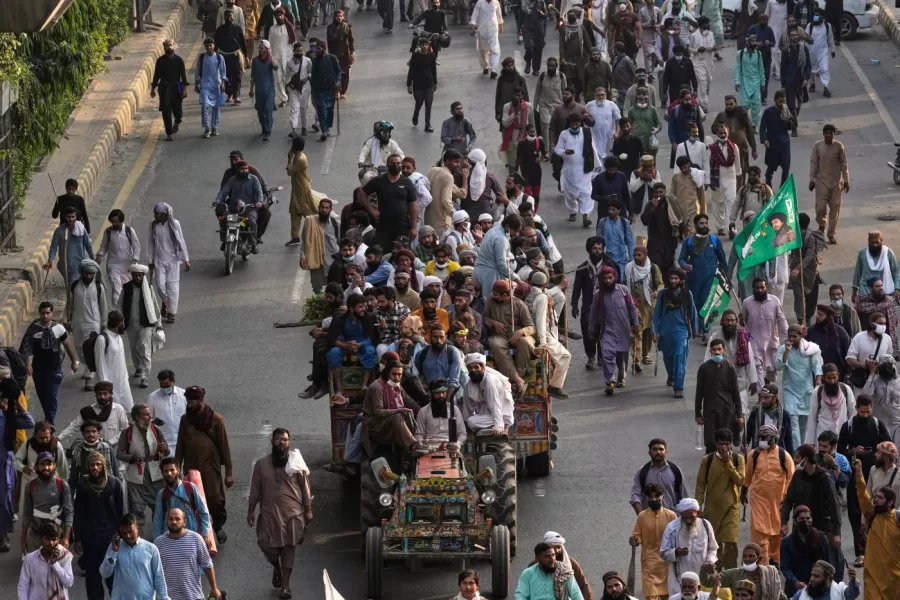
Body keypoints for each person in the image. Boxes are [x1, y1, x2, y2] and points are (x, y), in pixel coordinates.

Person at [248, 429, 312, 600]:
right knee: (264, 543)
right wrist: (251, 510)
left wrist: (308, 510)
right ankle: (276, 566)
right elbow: (255, 489)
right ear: (272, 441)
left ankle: (285, 585)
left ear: (289, 442)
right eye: (278, 439)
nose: (281, 442)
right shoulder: (261, 464)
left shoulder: (296, 462)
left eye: (285, 439)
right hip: (269, 514)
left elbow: (305, 488)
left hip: (293, 514)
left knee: (289, 547)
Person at [175, 386, 233, 545]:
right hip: (191, 469)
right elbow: (180, 445)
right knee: (193, 500)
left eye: (192, 401)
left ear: (201, 401)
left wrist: (229, 472)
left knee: (215, 499)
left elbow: (224, 447)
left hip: (211, 468)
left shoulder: (216, 419)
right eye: (188, 401)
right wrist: (176, 468)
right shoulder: (185, 420)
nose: (189, 404)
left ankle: (218, 526)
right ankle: (198, 533)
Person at [838, 394, 892, 567]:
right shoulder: (849, 426)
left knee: (878, 512)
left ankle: (879, 549)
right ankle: (860, 552)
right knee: (856, 513)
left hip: (876, 476)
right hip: (856, 475)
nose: (865, 415)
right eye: (862, 412)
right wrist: (854, 451)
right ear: (857, 409)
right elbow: (839, 451)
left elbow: (889, 446)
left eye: (868, 412)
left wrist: (878, 452)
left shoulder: (878, 425)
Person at [72, 451, 124, 600]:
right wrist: (78, 538)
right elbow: (79, 513)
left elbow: (122, 512)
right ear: (87, 467)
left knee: (113, 579)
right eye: (91, 465)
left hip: (110, 539)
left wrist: (122, 536)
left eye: (98, 464)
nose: (95, 468)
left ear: (104, 466)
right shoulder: (83, 485)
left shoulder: (114, 483)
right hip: (90, 540)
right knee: (93, 580)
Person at [743, 423, 796, 565]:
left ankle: (775, 559)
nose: (763, 441)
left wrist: (787, 497)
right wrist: (743, 492)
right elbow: (747, 477)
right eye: (761, 438)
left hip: (779, 501)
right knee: (760, 534)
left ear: (775, 439)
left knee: (777, 534)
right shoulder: (753, 455)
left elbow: (791, 477)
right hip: (758, 500)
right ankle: (762, 565)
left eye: (767, 438)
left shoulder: (784, 455)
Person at [780, 444, 842, 562]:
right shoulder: (798, 475)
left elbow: (835, 506)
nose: (795, 460)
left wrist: (836, 533)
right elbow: (788, 500)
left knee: (822, 563)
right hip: (800, 528)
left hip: (822, 527)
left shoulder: (824, 477)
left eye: (798, 457)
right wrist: (784, 522)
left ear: (806, 459)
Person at [852, 453, 900, 599]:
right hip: (872, 575)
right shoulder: (871, 514)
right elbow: (863, 495)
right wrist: (859, 474)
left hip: (894, 578)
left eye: (880, 498)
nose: (876, 500)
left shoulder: (897, 519)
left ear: (891, 502)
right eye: (876, 497)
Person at [695, 428, 745, 568]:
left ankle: (729, 577)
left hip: (731, 507)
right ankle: (712, 577)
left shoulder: (737, 459)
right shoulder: (708, 460)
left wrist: (728, 462)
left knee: (730, 543)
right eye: (721, 443)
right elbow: (701, 484)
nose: (724, 447)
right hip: (712, 509)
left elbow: (740, 481)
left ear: (731, 444)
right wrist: (698, 505)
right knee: (713, 545)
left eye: (727, 444)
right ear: (716, 444)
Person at [590, 266, 639, 394]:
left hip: (623, 329)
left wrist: (636, 324)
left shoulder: (623, 290)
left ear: (615, 278)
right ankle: (610, 381)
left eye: (610, 278)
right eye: (605, 278)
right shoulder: (597, 295)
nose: (607, 281)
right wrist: (591, 328)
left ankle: (621, 377)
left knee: (621, 355)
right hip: (607, 330)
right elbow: (593, 313)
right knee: (607, 354)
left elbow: (632, 308)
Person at [117, 404, 167, 531]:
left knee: (159, 509)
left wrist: (164, 449)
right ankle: (139, 541)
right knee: (137, 512)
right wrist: (132, 458)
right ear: (136, 417)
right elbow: (119, 454)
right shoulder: (127, 432)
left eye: (150, 414)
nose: (150, 417)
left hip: (155, 475)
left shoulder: (156, 430)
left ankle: (160, 538)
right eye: (146, 414)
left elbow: (166, 451)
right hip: (136, 477)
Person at [155, 508, 222, 600]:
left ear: (184, 522)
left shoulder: (196, 539)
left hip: (193, 596)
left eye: (177, 519)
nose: (174, 521)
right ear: (167, 521)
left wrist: (214, 588)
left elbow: (207, 565)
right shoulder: (159, 543)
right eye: (170, 519)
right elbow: (154, 572)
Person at [652, 268, 698, 398]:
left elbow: (692, 311)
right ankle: (671, 376)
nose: (673, 281)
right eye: (671, 278)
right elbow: (656, 314)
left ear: (681, 280)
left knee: (679, 356)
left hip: (681, 331)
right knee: (668, 358)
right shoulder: (663, 295)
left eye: (676, 278)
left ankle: (678, 387)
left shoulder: (687, 294)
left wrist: (695, 329)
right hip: (665, 331)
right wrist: (654, 330)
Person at [776, 325, 824, 449]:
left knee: (804, 424)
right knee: (793, 421)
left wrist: (818, 381)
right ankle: (797, 450)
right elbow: (778, 367)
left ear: (801, 336)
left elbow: (816, 366)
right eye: (789, 336)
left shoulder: (809, 349)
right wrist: (787, 351)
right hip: (790, 390)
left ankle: (802, 450)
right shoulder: (782, 349)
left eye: (795, 336)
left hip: (807, 391)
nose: (791, 339)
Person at [99, 514, 168, 599]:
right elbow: (105, 573)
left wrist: (165, 598)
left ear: (137, 528)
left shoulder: (151, 549)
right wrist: (113, 552)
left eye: (131, 532)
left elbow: (159, 576)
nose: (128, 536)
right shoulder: (115, 547)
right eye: (124, 533)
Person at [704, 310, 759, 417]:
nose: (730, 323)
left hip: (740, 384)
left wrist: (753, 381)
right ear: (721, 322)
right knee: (724, 415)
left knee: (741, 415)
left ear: (736, 322)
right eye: (727, 320)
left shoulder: (743, 338)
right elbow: (707, 361)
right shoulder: (714, 338)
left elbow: (750, 360)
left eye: (732, 320)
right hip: (720, 385)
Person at [526, 271, 572, 398]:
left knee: (564, 356)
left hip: (536, 332)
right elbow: (540, 319)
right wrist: (542, 341)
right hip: (542, 334)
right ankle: (555, 386)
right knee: (565, 357)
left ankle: (554, 385)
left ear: (530, 282)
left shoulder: (531, 294)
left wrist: (559, 287)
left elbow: (547, 293)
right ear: (545, 284)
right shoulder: (542, 297)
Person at [660, 498, 719, 595]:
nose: (688, 521)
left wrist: (710, 562)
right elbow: (663, 553)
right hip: (678, 582)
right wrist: (675, 552)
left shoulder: (706, 526)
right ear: (680, 515)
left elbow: (713, 548)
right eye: (684, 517)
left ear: (698, 513)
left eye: (691, 517)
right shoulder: (672, 528)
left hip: (702, 581)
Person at [679, 215, 727, 330]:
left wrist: (727, 276)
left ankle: (705, 330)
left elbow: (722, 259)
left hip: (710, 279)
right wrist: (684, 265)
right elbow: (681, 258)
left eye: (706, 223)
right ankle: (697, 326)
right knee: (695, 303)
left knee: (707, 303)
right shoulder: (689, 241)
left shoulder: (714, 240)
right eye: (701, 223)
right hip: (693, 279)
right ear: (696, 225)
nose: (704, 225)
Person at [20, 451, 73, 554]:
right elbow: (27, 514)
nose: (46, 468)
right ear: (36, 466)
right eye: (42, 464)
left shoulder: (62, 485)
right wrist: (23, 539)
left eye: (49, 464)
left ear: (54, 466)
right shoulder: (30, 486)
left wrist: (66, 538)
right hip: (36, 534)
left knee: (57, 566)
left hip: (56, 535)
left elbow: (69, 513)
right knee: (37, 566)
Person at [630, 483, 677, 598]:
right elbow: (637, 535)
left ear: (663, 497)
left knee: (669, 596)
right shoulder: (642, 516)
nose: (654, 499)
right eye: (651, 497)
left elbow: (677, 537)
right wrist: (635, 540)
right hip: (649, 564)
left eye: (657, 496)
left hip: (667, 563)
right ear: (647, 498)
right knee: (650, 595)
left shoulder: (671, 516)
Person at [66, 261, 107, 391]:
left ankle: (90, 376)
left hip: (93, 323)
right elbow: (69, 304)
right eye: (87, 273)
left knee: (90, 348)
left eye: (92, 274)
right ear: (82, 273)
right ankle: (87, 365)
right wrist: (67, 320)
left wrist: (104, 324)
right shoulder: (74, 286)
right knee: (79, 348)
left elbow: (103, 307)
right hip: (77, 323)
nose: (89, 276)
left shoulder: (99, 287)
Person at [697, 340, 744, 451]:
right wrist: (698, 413)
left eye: (719, 349)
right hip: (710, 411)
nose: (717, 352)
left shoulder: (730, 368)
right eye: (714, 349)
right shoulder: (704, 369)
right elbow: (699, 392)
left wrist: (739, 414)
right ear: (710, 351)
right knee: (710, 442)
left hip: (727, 411)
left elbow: (736, 392)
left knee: (725, 441)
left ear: (724, 350)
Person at [120, 265, 162, 389]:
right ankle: (138, 367)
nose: (137, 277)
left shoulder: (148, 288)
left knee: (144, 348)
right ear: (132, 275)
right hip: (131, 324)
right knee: (134, 348)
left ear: (143, 276)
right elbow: (119, 304)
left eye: (140, 275)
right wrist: (118, 321)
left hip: (146, 324)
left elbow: (154, 306)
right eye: (135, 275)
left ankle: (145, 376)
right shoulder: (126, 288)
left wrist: (158, 325)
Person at [556, 112, 599, 228]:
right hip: (569, 169)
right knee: (570, 193)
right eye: (572, 124)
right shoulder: (564, 134)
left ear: (580, 123)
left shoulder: (587, 132)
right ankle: (573, 210)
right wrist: (565, 152)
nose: (574, 126)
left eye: (577, 124)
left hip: (585, 168)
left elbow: (593, 149)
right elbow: (558, 149)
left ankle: (586, 215)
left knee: (586, 192)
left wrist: (597, 165)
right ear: (569, 124)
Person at [148, 202, 190, 324]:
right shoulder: (153, 225)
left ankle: (172, 313)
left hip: (173, 261)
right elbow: (150, 243)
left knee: (173, 288)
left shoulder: (175, 224)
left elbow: (181, 241)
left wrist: (186, 259)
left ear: (164, 214)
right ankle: (165, 302)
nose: (154, 215)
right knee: (160, 286)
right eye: (154, 213)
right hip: (159, 261)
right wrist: (150, 260)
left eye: (157, 213)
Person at [742, 278, 789, 384]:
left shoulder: (775, 301)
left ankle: (766, 386)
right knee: (757, 368)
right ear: (753, 288)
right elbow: (743, 323)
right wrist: (740, 320)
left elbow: (782, 321)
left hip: (771, 342)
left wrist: (788, 337)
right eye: (757, 287)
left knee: (771, 370)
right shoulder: (746, 302)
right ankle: (761, 394)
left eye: (762, 287)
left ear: (766, 287)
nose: (759, 290)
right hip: (754, 341)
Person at [153, 457, 211, 541]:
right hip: (170, 540)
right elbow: (158, 520)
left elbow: (203, 512)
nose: (169, 473)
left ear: (178, 470)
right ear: (162, 473)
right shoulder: (162, 494)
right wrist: (157, 541)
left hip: (192, 538)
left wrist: (205, 535)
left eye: (172, 470)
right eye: (165, 471)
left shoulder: (190, 487)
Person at [809, 124, 849, 244]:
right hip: (821, 181)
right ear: (823, 134)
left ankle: (831, 234)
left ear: (834, 134)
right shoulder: (817, 146)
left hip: (836, 183)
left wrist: (846, 180)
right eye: (826, 133)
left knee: (834, 210)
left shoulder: (839, 146)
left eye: (830, 133)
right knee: (820, 207)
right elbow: (814, 162)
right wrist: (811, 179)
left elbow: (843, 163)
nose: (828, 135)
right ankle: (821, 224)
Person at [702, 544, 785, 600]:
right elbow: (708, 581)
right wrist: (705, 570)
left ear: (759, 559)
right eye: (745, 556)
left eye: (751, 556)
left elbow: (777, 593)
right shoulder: (734, 574)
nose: (747, 559)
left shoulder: (768, 575)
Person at [779, 507, 831, 597]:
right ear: (795, 521)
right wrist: (795, 582)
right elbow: (785, 567)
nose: (805, 521)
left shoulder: (821, 539)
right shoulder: (787, 542)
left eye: (808, 518)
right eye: (801, 519)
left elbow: (827, 565)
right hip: (794, 588)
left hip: (818, 587)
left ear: (812, 520)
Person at [625, 246, 662, 369]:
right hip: (634, 305)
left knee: (648, 331)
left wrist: (658, 291)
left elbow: (660, 283)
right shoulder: (629, 268)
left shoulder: (652, 268)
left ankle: (646, 354)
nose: (636, 257)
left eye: (639, 255)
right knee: (636, 331)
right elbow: (625, 285)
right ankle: (636, 360)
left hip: (649, 305)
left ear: (645, 255)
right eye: (634, 255)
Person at [17, 522, 74, 600]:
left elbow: (68, 583)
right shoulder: (30, 558)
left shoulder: (64, 557)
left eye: (54, 539)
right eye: (47, 539)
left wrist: (55, 564)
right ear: (41, 539)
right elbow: (23, 586)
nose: (51, 543)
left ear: (58, 540)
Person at [461, 353, 515, 435]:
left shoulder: (490, 380)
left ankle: (501, 425)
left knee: (472, 422)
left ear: (482, 367)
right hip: (486, 415)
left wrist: (498, 426)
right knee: (470, 421)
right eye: (470, 368)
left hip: (501, 415)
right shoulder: (468, 384)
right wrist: (466, 426)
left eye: (476, 367)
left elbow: (494, 404)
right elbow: (467, 408)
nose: (473, 370)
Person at [96, 210, 141, 307]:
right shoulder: (108, 232)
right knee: (117, 289)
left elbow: (136, 247)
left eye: (116, 222)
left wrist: (134, 261)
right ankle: (117, 312)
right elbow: (104, 246)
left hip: (128, 266)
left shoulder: (129, 231)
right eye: (112, 222)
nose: (114, 224)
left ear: (122, 221)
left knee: (127, 290)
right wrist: (100, 255)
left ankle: (126, 310)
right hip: (113, 265)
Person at [474, 214, 522, 301]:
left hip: (480, 273)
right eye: (515, 230)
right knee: (489, 303)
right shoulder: (501, 239)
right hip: (489, 276)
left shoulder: (492, 231)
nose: (516, 234)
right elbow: (501, 264)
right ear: (507, 226)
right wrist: (517, 279)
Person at [515, 542, 586, 600]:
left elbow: (576, 594)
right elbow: (520, 596)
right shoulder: (527, 574)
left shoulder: (564, 572)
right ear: (537, 559)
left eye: (553, 555)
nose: (552, 559)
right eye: (547, 556)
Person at [846, 313, 894, 398]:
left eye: (884, 323)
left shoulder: (887, 338)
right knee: (862, 405)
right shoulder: (859, 337)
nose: (883, 326)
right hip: (862, 380)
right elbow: (850, 358)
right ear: (872, 324)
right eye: (880, 323)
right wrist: (864, 365)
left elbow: (890, 358)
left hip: (881, 379)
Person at [45, 206, 95, 286]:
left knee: (75, 287)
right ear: (65, 216)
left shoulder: (81, 229)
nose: (71, 219)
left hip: (78, 265)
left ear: (76, 217)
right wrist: (50, 260)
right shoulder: (59, 231)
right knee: (69, 288)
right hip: (64, 265)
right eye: (69, 217)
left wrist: (93, 258)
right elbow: (54, 247)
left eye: (73, 217)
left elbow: (88, 245)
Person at [805, 363, 854, 444]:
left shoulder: (846, 390)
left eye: (834, 378)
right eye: (829, 378)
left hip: (841, 434)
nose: (832, 381)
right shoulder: (817, 392)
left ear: (838, 375)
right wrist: (811, 442)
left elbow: (852, 413)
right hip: (822, 435)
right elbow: (812, 417)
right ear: (823, 377)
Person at [151, 39, 189, 141]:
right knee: (166, 110)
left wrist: (184, 90)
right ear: (164, 47)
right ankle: (168, 133)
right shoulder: (160, 61)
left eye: (171, 45)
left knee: (178, 110)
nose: (169, 47)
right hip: (164, 87)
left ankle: (177, 122)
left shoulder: (179, 60)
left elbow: (183, 77)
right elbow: (156, 76)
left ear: (173, 46)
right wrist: (153, 88)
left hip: (177, 85)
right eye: (167, 46)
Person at [146, 370, 186, 458]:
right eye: (162, 386)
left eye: (167, 386)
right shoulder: (153, 397)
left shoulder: (183, 395)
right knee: (167, 468)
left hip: (183, 439)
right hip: (164, 441)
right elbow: (148, 418)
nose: (165, 389)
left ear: (173, 382)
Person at [759, 90, 792, 188]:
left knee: (786, 165)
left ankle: (783, 186)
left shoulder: (786, 111)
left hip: (784, 142)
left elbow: (790, 127)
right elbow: (762, 127)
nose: (782, 104)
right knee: (772, 164)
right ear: (775, 100)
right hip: (772, 142)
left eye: (784, 102)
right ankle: (768, 178)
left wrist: (788, 119)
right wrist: (764, 139)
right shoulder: (768, 112)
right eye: (780, 102)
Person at [194, 37, 226, 139]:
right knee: (205, 106)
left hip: (216, 85)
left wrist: (223, 83)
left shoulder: (219, 58)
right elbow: (198, 71)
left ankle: (214, 127)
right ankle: (206, 128)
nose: (209, 47)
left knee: (216, 108)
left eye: (210, 45)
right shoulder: (201, 57)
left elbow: (223, 72)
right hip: (205, 86)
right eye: (207, 46)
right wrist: (197, 84)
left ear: (214, 45)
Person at [215, 10, 248, 107]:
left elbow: (243, 43)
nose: (228, 18)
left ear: (234, 18)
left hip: (236, 56)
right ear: (224, 18)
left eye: (230, 16)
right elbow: (216, 44)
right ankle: (229, 94)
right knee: (226, 77)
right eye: (226, 17)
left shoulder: (238, 29)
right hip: (224, 56)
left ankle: (236, 96)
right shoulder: (220, 30)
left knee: (237, 76)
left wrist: (246, 56)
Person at [310, 39, 341, 141]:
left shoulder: (332, 58)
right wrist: (313, 92)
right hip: (320, 91)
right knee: (322, 111)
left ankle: (327, 126)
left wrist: (337, 82)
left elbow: (338, 72)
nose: (316, 51)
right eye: (316, 49)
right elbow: (313, 77)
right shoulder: (315, 61)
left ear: (323, 49)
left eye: (318, 49)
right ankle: (324, 130)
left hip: (331, 90)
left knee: (329, 111)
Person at [499, 88, 534, 175]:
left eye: (519, 95)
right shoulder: (507, 106)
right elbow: (505, 124)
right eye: (515, 95)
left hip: (524, 137)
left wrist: (534, 138)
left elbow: (532, 123)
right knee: (512, 166)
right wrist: (516, 112)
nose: (516, 97)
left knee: (524, 165)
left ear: (522, 96)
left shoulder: (528, 106)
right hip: (510, 139)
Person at [408, 39, 438, 132]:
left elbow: (434, 70)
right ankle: (416, 113)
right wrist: (409, 84)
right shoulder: (415, 56)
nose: (424, 47)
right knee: (419, 102)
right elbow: (411, 70)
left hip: (429, 83)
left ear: (429, 46)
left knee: (428, 104)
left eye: (426, 45)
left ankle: (427, 124)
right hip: (418, 84)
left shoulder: (431, 56)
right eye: (423, 45)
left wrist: (435, 83)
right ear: (420, 46)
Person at [284, 42, 312, 138]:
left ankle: (304, 127)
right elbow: (286, 76)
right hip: (293, 89)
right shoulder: (289, 62)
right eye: (297, 51)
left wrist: (306, 78)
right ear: (293, 51)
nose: (299, 52)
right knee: (294, 109)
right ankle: (294, 129)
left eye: (300, 51)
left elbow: (311, 72)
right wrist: (287, 87)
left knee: (304, 109)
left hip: (305, 88)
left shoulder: (307, 61)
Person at [470, 0, 503, 78]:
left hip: (493, 29)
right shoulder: (480, 3)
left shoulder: (496, 2)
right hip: (482, 30)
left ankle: (493, 70)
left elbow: (498, 15)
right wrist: (473, 26)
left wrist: (501, 26)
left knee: (494, 49)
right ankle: (485, 66)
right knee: (483, 50)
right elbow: (475, 15)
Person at [806, 9, 834, 98]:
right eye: (814, 15)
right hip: (811, 52)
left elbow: (830, 38)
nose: (815, 17)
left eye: (817, 15)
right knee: (812, 71)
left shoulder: (827, 26)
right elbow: (806, 38)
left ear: (822, 17)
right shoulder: (810, 26)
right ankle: (812, 84)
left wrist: (833, 50)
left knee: (824, 69)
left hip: (823, 52)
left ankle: (825, 87)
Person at [586, 87, 620, 161]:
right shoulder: (589, 105)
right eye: (599, 95)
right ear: (595, 95)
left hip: (608, 136)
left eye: (602, 95)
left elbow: (618, 119)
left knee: (608, 157)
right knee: (596, 156)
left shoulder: (612, 105)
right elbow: (584, 118)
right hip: (594, 135)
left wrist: (617, 132)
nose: (601, 97)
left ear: (606, 95)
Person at [326, 10, 353, 98]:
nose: (339, 18)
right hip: (334, 53)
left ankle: (342, 91)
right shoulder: (330, 28)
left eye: (341, 16)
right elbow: (329, 42)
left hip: (345, 53)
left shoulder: (347, 27)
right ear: (334, 17)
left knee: (344, 73)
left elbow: (351, 40)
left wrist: (352, 53)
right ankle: (336, 90)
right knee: (335, 73)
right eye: (338, 16)